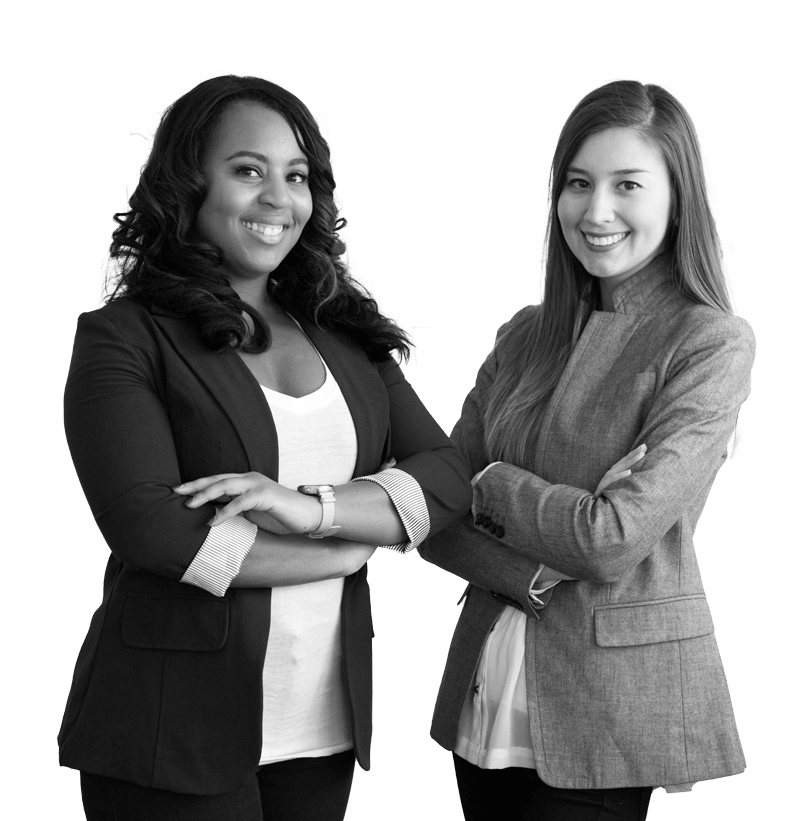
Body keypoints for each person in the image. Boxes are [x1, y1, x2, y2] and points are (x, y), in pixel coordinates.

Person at [58, 71, 473, 821]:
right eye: (248, 171)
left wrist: (313, 512)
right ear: (189, 185)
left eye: (297, 175)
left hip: (320, 724)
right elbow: (151, 526)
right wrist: (341, 551)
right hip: (171, 727)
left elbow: (446, 476)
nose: (278, 198)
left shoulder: (345, 332)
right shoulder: (125, 336)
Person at [417, 76, 755, 820]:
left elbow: (610, 540)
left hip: (610, 704)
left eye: (626, 184)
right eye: (577, 183)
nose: (595, 211)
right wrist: (532, 566)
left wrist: (493, 481)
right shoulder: (525, 332)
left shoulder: (710, 339)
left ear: (678, 196)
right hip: (487, 689)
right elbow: (433, 509)